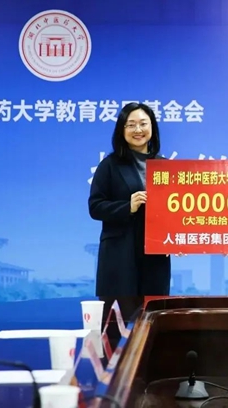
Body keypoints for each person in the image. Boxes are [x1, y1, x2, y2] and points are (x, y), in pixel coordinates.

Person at [88, 102, 171, 343]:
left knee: (154, 324)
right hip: (119, 256)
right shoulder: (110, 165)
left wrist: (177, 236)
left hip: (154, 257)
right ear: (121, 130)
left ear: (152, 128)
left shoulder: (165, 166)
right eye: (131, 124)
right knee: (115, 326)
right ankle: (112, 367)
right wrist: (128, 206)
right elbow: (95, 207)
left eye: (143, 124)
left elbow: (175, 210)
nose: (138, 130)